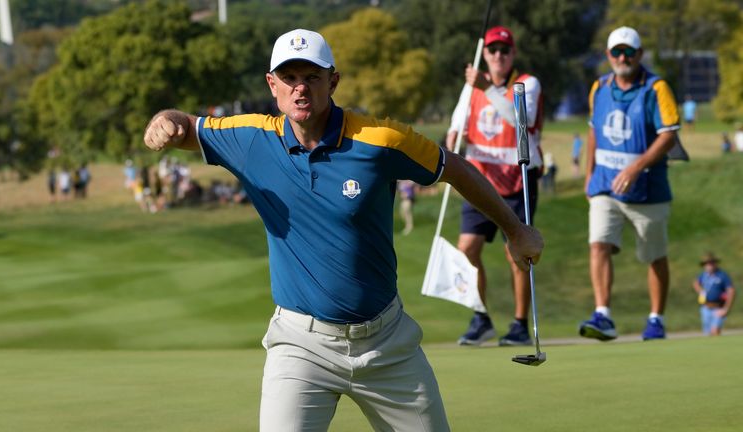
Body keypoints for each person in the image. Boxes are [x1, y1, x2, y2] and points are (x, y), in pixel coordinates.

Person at [143, 28, 544, 432]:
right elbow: (188, 126)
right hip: (301, 347)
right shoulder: (250, 138)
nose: (300, 89)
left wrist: (514, 229)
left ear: (333, 81)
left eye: (312, 77)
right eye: (289, 78)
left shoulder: (381, 140)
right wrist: (164, 121)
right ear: (272, 85)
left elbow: (453, 167)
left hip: (387, 345)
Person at [579, 27, 680, 342]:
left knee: (654, 255)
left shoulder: (656, 88)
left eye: (629, 52)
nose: (622, 57)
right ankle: (603, 315)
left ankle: (656, 318)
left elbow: (669, 134)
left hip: (648, 189)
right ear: (609, 55)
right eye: (616, 52)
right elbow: (594, 130)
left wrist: (636, 167)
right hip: (605, 185)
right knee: (598, 244)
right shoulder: (600, 88)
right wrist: (589, 172)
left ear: (639, 54)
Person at [446, 25, 544, 346]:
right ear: (484, 54)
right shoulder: (472, 87)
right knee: (467, 249)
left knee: (516, 251)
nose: (498, 56)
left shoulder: (527, 84)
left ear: (513, 53)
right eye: (492, 50)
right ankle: (481, 317)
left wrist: (486, 87)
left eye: (504, 50)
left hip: (517, 179)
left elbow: (521, 120)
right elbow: (458, 126)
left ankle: (519, 325)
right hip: (478, 180)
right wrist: (451, 139)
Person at [693, 252, 735, 336]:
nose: (709, 266)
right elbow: (695, 283)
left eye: (711, 263)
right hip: (706, 307)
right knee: (707, 332)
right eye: (707, 264)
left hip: (718, 307)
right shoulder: (703, 275)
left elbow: (731, 291)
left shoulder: (722, 275)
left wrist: (726, 308)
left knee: (715, 331)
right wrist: (700, 291)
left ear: (715, 264)